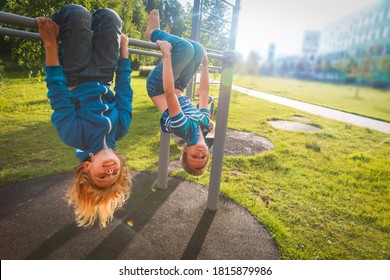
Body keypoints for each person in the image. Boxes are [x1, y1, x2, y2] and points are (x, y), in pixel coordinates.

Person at [36, 4, 133, 228]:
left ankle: (61, 30)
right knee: (111, 17)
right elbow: (125, 92)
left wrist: (50, 43)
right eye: (114, 174)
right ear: (121, 166)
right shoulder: (120, 128)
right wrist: (124, 54)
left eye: (102, 176)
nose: (109, 171)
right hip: (105, 73)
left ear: (87, 167)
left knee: (76, 13)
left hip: (73, 74)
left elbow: (58, 94)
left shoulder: (74, 136)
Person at [145, 9, 214, 176]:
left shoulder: (182, 129)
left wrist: (166, 56)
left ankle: (152, 32)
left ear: (185, 150)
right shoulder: (204, 125)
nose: (199, 153)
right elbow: (203, 93)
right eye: (202, 156)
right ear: (208, 153)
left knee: (185, 49)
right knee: (198, 49)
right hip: (178, 87)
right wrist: (205, 64)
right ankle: (160, 34)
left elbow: (169, 93)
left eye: (194, 156)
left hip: (159, 87)